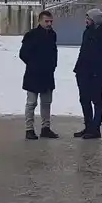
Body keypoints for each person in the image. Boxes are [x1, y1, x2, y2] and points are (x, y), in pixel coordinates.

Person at [74, 8, 102, 139]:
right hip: (83, 71)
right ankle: (88, 126)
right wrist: (79, 69)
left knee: (96, 100)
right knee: (84, 99)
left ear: (95, 20)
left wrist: (98, 70)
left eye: (88, 19)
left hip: (98, 73)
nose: (86, 21)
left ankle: (95, 128)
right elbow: (84, 51)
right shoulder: (87, 32)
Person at [19, 10, 59, 140]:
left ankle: (45, 128)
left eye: (51, 21)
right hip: (34, 74)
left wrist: (53, 65)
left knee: (47, 102)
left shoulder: (52, 35)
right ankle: (29, 129)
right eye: (46, 21)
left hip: (47, 74)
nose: (49, 24)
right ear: (40, 21)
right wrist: (34, 64)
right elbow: (23, 54)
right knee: (31, 103)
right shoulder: (31, 35)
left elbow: (54, 52)